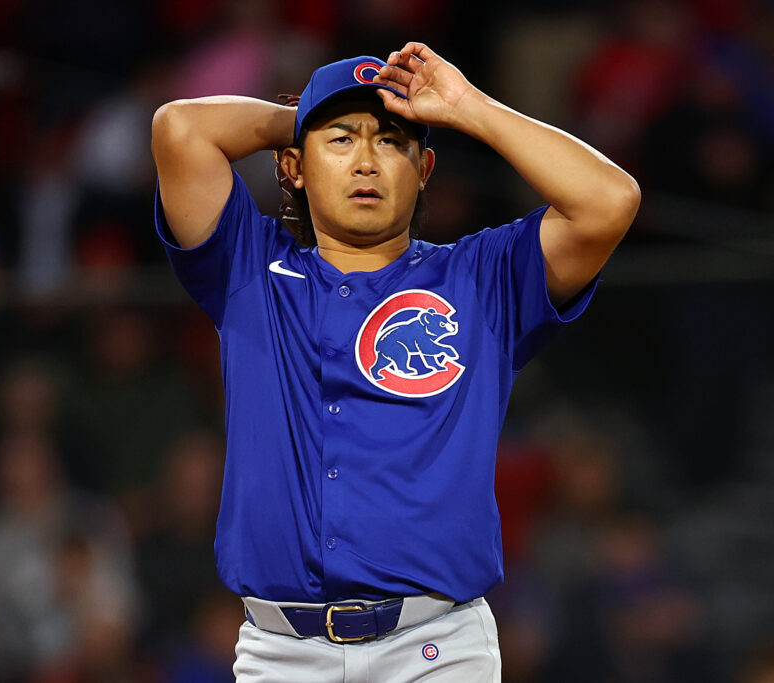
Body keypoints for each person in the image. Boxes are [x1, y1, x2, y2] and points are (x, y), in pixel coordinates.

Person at [150, 42, 640, 682]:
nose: (366, 161)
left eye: (390, 141)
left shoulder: (480, 280)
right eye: (342, 139)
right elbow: (179, 128)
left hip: (435, 649)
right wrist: (297, 119)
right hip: (282, 653)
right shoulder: (248, 270)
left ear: (425, 167)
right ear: (292, 167)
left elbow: (609, 199)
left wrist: (470, 107)